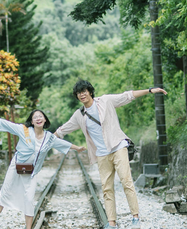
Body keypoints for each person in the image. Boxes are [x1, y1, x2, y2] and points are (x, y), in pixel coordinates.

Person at [54, 79, 168, 229]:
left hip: (118, 147)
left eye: (84, 91)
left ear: (90, 92)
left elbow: (128, 96)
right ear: (76, 96)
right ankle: (112, 222)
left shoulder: (105, 101)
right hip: (101, 154)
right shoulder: (79, 115)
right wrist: (44, 139)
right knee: (107, 188)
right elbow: (63, 130)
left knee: (126, 182)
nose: (82, 95)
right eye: (78, 93)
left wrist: (149, 90)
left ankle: (135, 217)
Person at [0, 109, 86, 229]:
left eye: (41, 116)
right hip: (16, 167)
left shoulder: (49, 138)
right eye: (35, 117)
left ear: (45, 120)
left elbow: (63, 143)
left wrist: (78, 148)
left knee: (29, 199)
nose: (38, 118)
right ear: (32, 121)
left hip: (32, 172)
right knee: (5, 192)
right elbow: (6, 123)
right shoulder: (24, 130)